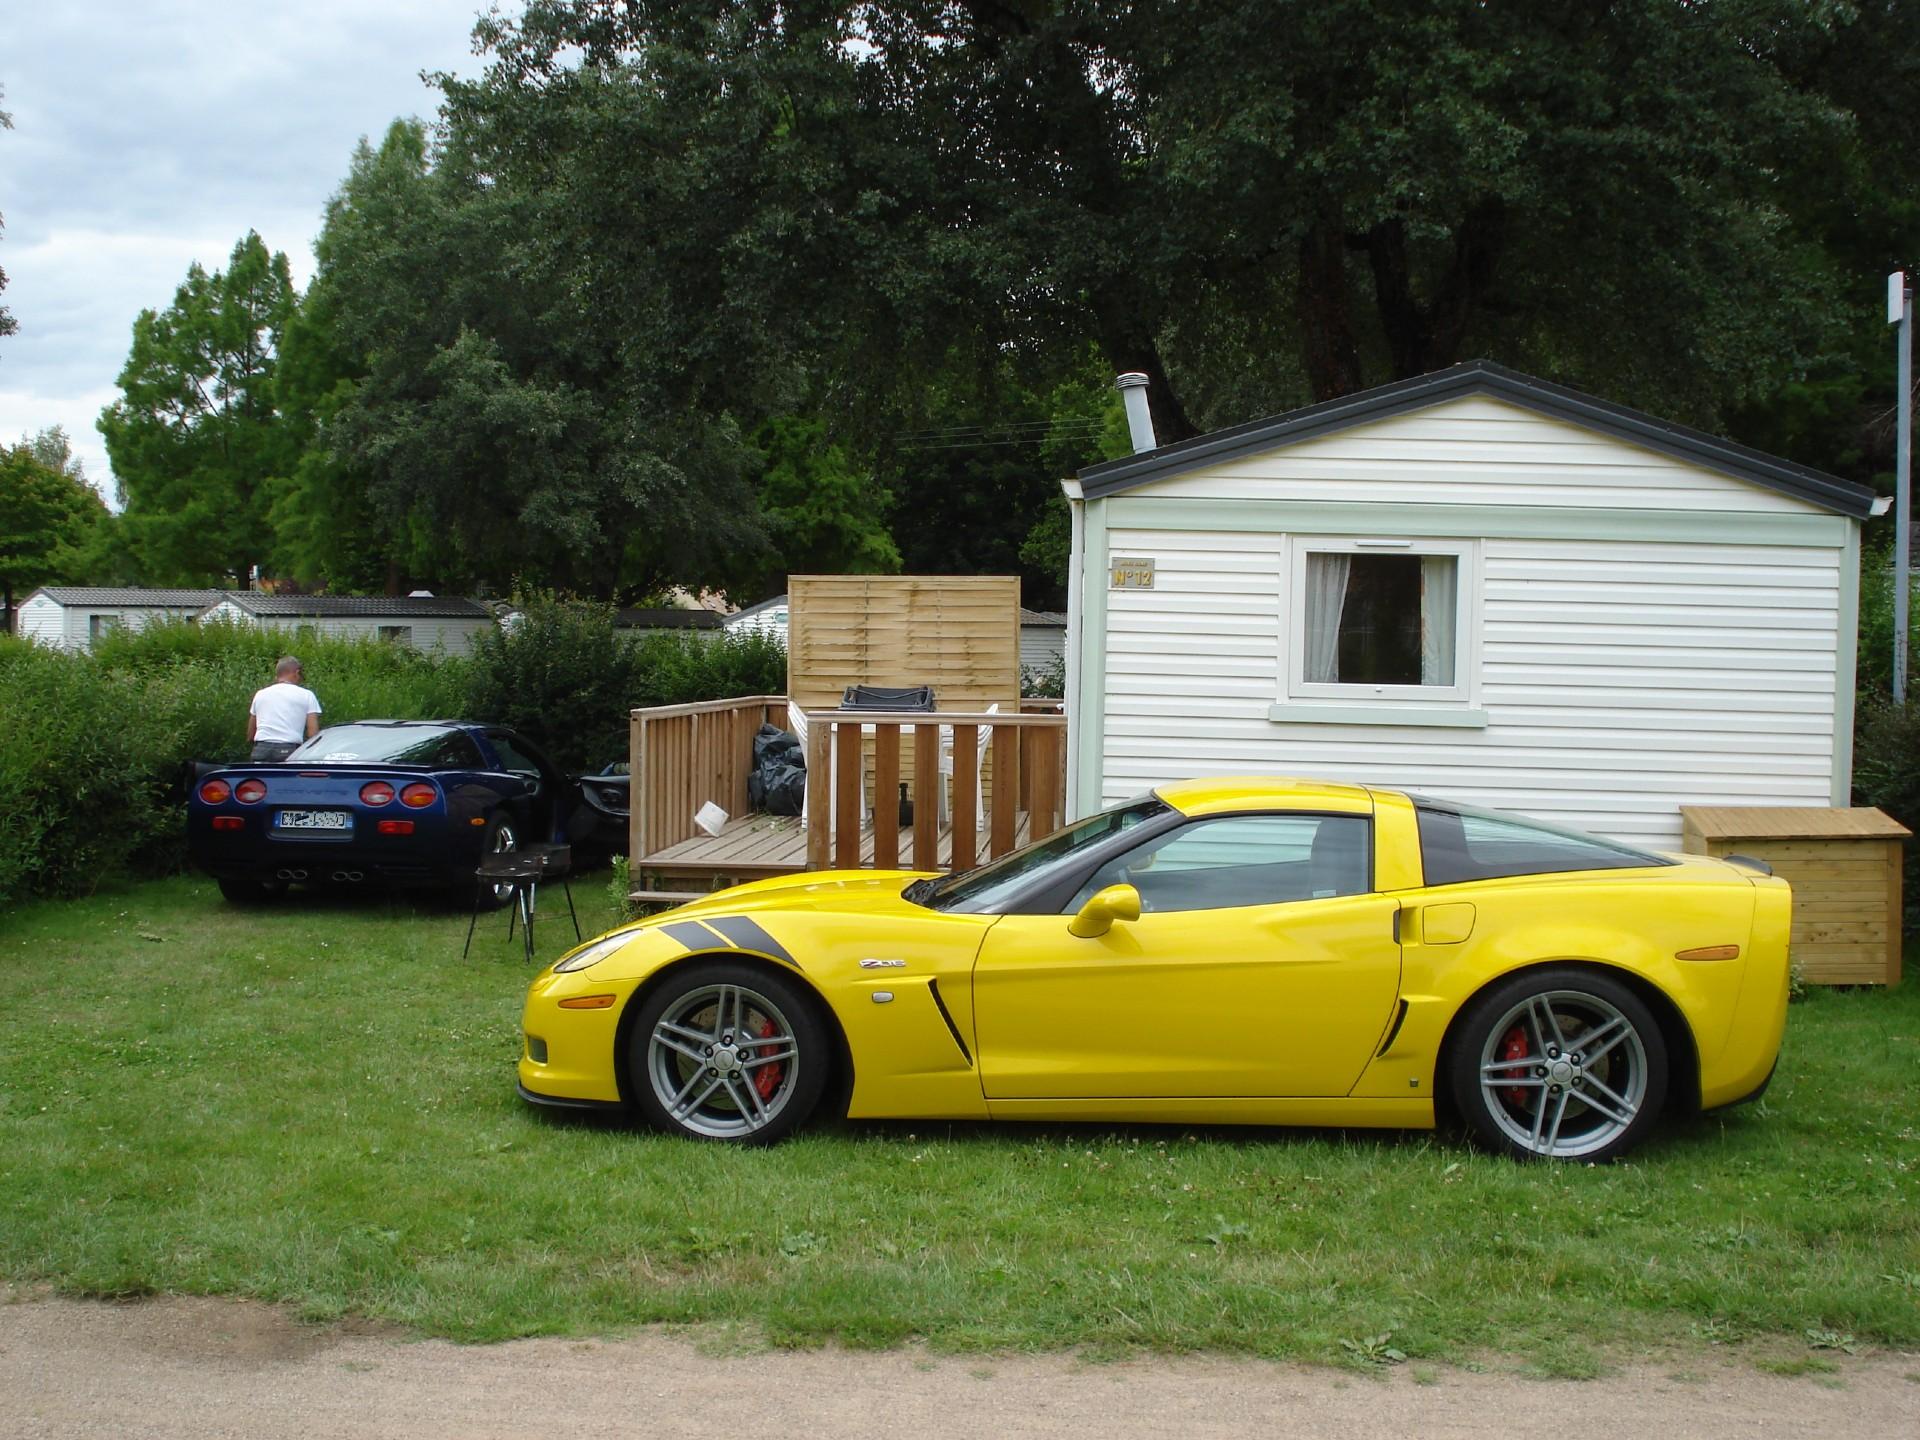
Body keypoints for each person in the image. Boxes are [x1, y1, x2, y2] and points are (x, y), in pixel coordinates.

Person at [247, 656, 322, 762]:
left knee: (261, 778)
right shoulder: (307, 695)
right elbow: (312, 734)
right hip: (289, 750)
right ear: (296, 672)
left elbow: (250, 734)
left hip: (261, 749)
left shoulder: (260, 694)